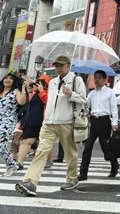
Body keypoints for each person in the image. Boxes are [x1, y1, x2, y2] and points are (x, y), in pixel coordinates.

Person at [15, 55, 87, 196]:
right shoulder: (53, 82)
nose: (58, 68)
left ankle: (72, 178)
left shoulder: (76, 80)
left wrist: (70, 93)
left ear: (68, 65)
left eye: (61, 65)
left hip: (67, 122)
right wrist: (45, 119)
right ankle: (30, 182)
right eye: (56, 65)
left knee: (70, 153)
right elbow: (49, 102)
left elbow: (84, 100)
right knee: (41, 151)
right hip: (48, 123)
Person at [78, 70, 119, 181]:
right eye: (95, 78)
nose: (96, 80)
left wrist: (114, 123)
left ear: (105, 79)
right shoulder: (91, 94)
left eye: (99, 78)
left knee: (106, 147)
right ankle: (83, 173)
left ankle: (115, 165)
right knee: (88, 146)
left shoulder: (110, 92)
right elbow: (86, 105)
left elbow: (114, 108)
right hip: (94, 121)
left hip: (105, 121)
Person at [16, 76, 49, 170]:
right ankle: (20, 162)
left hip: (44, 122)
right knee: (26, 141)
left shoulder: (48, 93)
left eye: (41, 82)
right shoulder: (32, 93)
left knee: (45, 143)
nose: (37, 85)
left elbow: (48, 102)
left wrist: (42, 91)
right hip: (30, 121)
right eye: (37, 83)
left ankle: (49, 160)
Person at [1, 72, 27, 176]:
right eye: (5, 78)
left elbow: (21, 102)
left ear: (13, 81)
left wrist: (24, 90)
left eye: (10, 79)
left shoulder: (15, 91)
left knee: (2, 145)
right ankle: (11, 164)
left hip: (9, 121)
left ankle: (11, 164)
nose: (7, 80)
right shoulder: (0, 91)